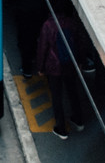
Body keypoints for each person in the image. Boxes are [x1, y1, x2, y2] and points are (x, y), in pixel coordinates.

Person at [37, 12, 87, 140]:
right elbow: (80, 43)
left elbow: (43, 48)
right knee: (73, 91)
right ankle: (79, 120)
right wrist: (81, 61)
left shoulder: (48, 25)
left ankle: (61, 129)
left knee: (56, 96)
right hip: (70, 64)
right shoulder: (71, 22)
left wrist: (41, 68)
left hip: (54, 67)